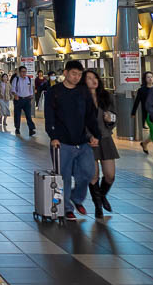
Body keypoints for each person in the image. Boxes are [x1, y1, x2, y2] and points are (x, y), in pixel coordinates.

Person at [44, 60, 100, 221]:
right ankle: (67, 208)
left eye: (79, 74)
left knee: (88, 172)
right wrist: (53, 136)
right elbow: (50, 117)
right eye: (74, 73)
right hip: (62, 143)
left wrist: (95, 135)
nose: (77, 77)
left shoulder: (83, 92)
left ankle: (76, 198)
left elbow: (90, 115)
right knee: (64, 176)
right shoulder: (54, 92)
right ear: (65, 73)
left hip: (82, 141)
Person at [83, 70, 119, 219]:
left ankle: (102, 196)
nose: (93, 80)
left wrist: (110, 120)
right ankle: (98, 206)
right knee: (94, 175)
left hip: (105, 138)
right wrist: (89, 137)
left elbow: (114, 116)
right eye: (89, 78)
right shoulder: (81, 99)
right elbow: (79, 121)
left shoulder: (106, 96)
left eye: (95, 77)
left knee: (110, 175)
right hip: (88, 141)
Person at [132, 71, 153, 155]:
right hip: (147, 114)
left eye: (151, 77)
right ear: (145, 79)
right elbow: (137, 101)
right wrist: (133, 112)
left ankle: (145, 143)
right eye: (148, 77)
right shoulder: (142, 90)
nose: (150, 79)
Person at [11, 66, 36, 136]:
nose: (24, 73)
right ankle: (17, 128)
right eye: (22, 71)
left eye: (25, 71)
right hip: (18, 99)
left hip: (27, 100)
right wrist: (15, 95)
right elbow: (13, 89)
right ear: (19, 72)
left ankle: (31, 129)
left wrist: (31, 96)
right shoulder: (16, 79)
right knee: (17, 115)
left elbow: (30, 89)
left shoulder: (28, 79)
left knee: (28, 115)